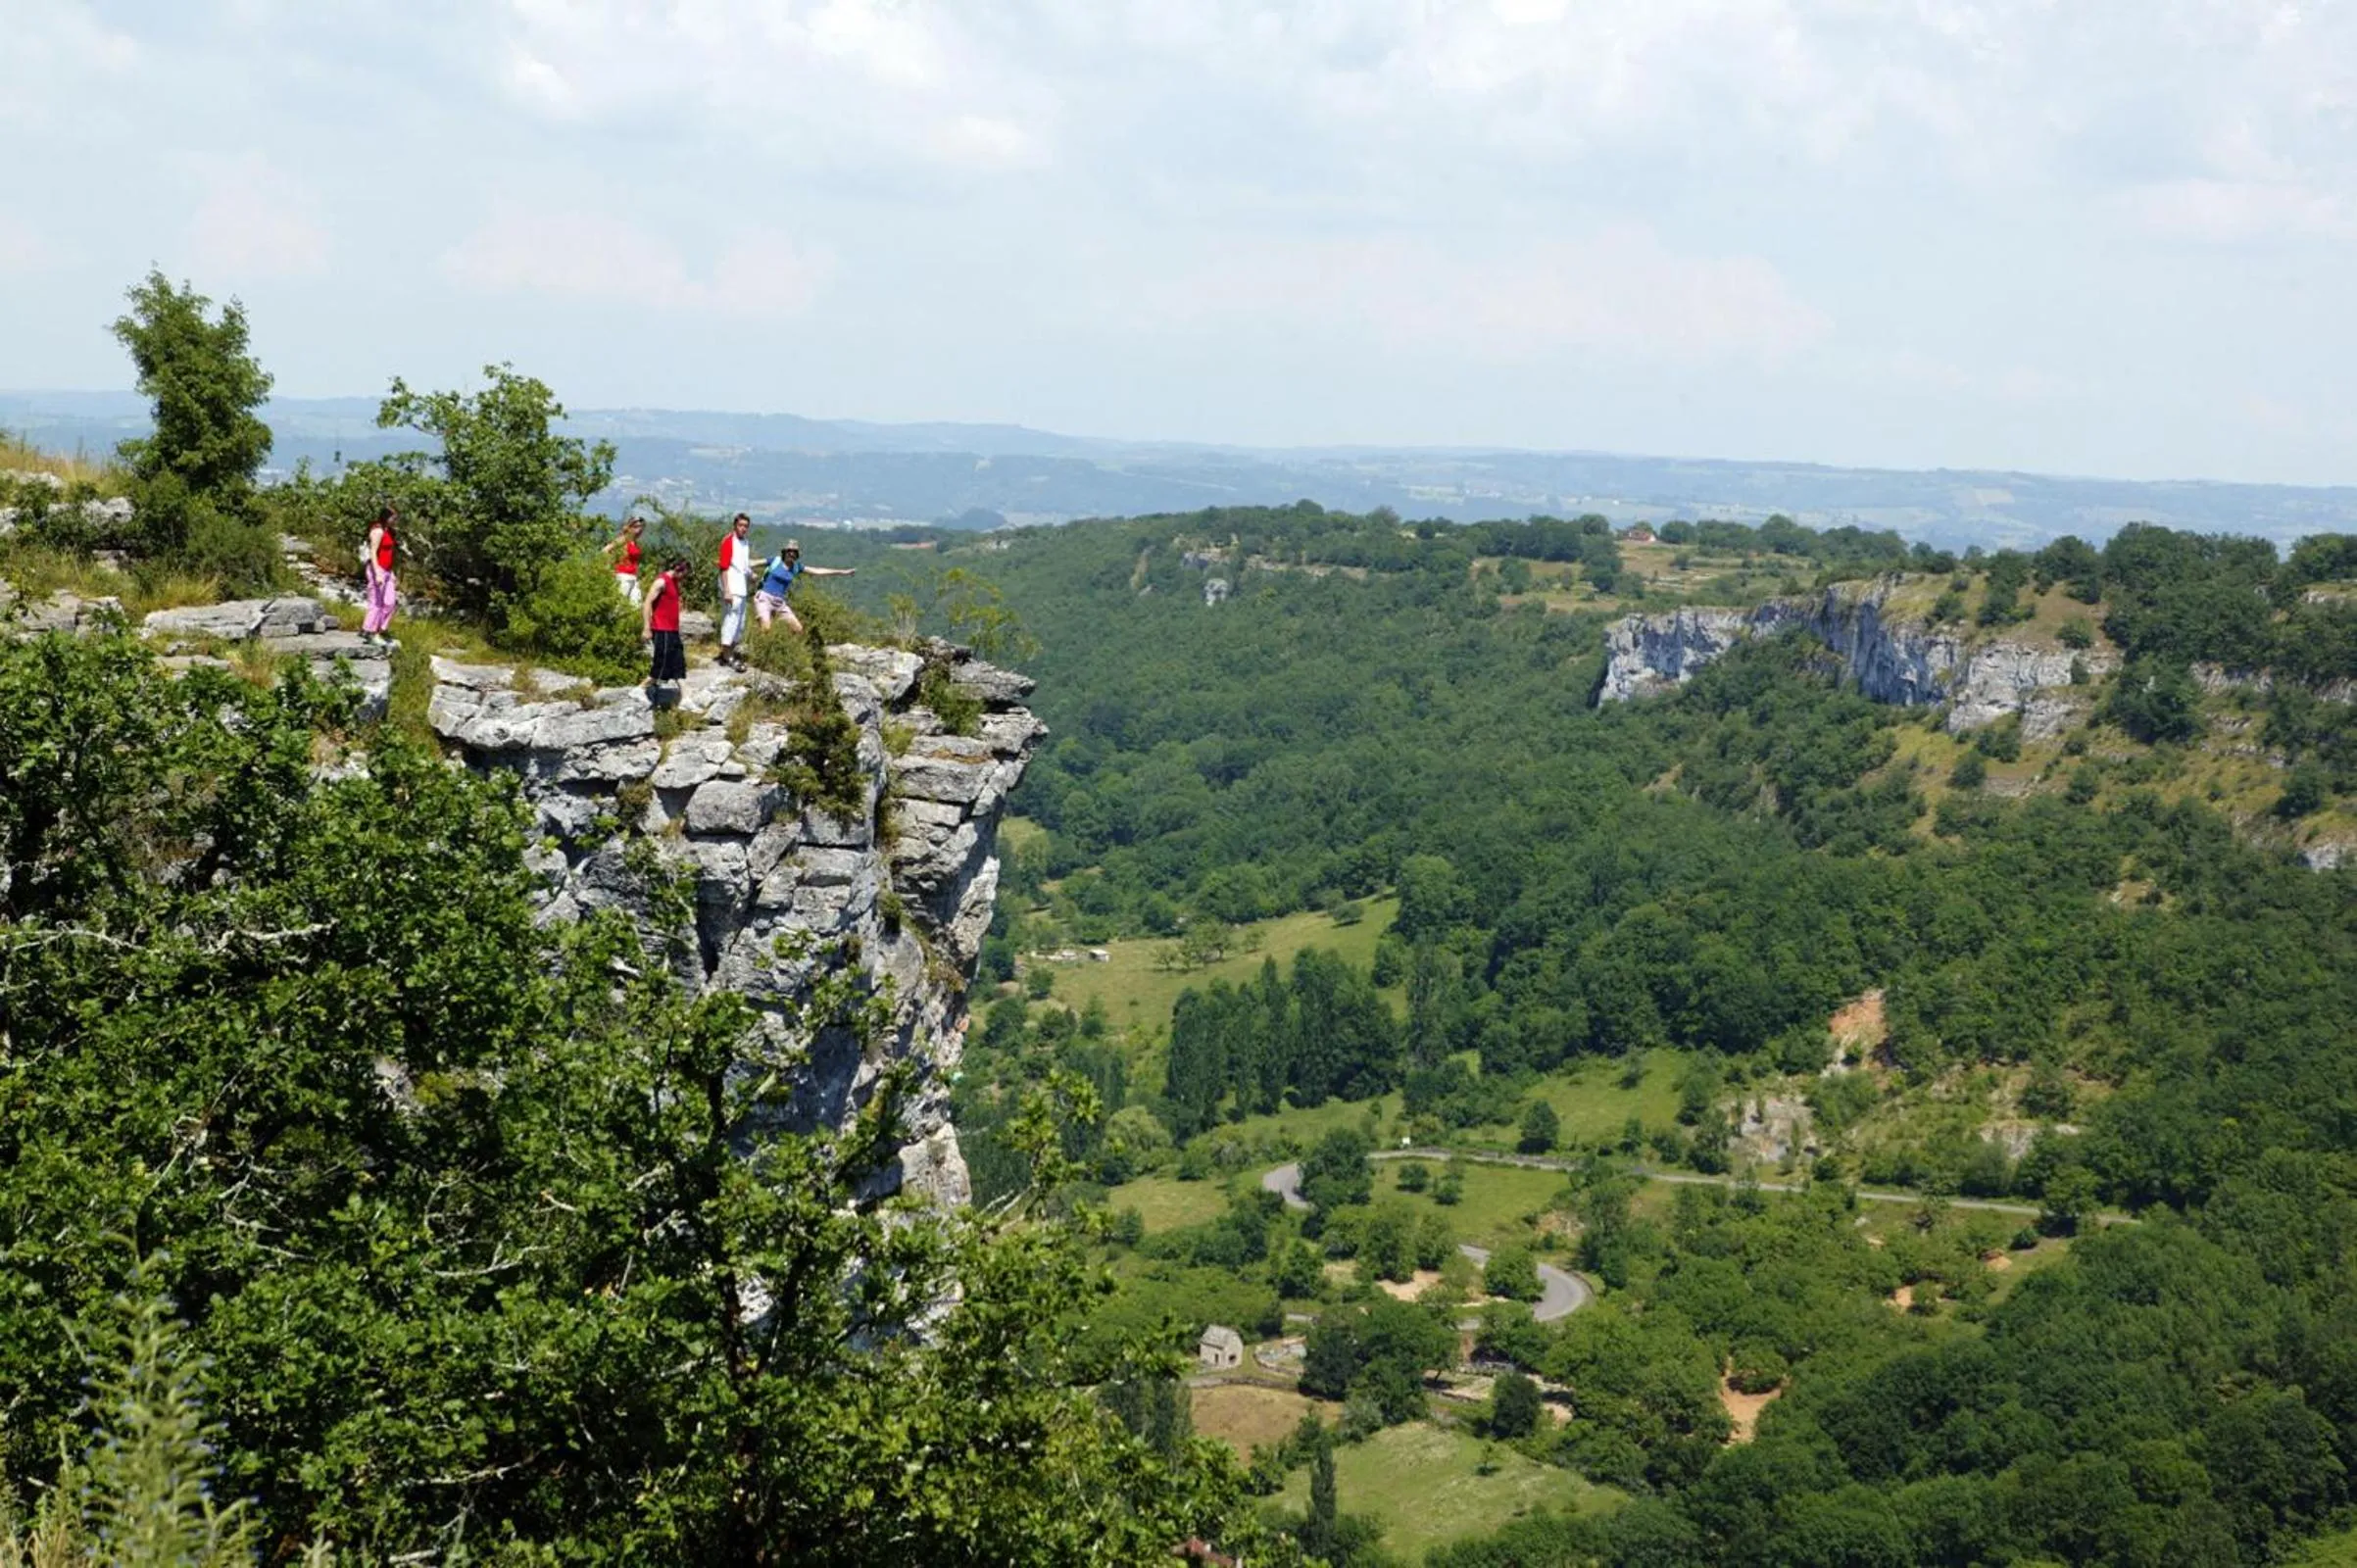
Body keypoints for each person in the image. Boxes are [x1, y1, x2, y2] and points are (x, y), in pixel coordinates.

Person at [753, 538, 856, 634]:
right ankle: (758, 646)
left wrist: (842, 572)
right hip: (764, 598)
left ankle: (782, 647)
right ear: (784, 552)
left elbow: (818, 571)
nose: (791, 554)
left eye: (794, 552)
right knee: (766, 629)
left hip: (779, 602)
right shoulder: (775, 561)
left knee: (798, 629)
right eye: (789, 551)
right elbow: (754, 563)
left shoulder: (797, 567)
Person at [643, 554, 689, 688]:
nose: (683, 578)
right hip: (662, 629)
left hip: (673, 629)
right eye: (683, 575)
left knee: (679, 665)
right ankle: (640, 689)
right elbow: (647, 603)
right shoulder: (661, 582)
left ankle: (685, 698)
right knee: (661, 664)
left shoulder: (674, 582)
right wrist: (646, 627)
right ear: (677, 568)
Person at [715, 513, 756, 666]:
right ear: (735, 525)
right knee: (731, 620)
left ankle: (730, 651)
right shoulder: (728, 541)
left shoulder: (745, 543)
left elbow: (743, 566)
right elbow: (724, 567)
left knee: (740, 622)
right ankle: (727, 655)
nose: (743, 528)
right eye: (740, 525)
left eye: (746, 526)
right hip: (731, 587)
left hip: (741, 587)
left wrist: (751, 575)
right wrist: (726, 589)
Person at [361, 503, 399, 645]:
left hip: (387, 571)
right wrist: (377, 573)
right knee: (376, 602)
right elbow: (373, 552)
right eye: (393, 518)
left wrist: (391, 573)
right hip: (377, 569)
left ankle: (381, 629)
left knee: (390, 603)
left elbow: (389, 553)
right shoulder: (377, 531)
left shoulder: (389, 531)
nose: (395, 521)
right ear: (386, 517)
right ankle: (370, 632)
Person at [605, 515, 646, 606]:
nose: (639, 529)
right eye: (636, 527)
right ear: (630, 527)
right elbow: (606, 550)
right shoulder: (624, 539)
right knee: (619, 606)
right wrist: (608, 568)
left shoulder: (635, 542)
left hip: (634, 577)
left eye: (641, 527)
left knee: (636, 605)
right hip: (623, 576)